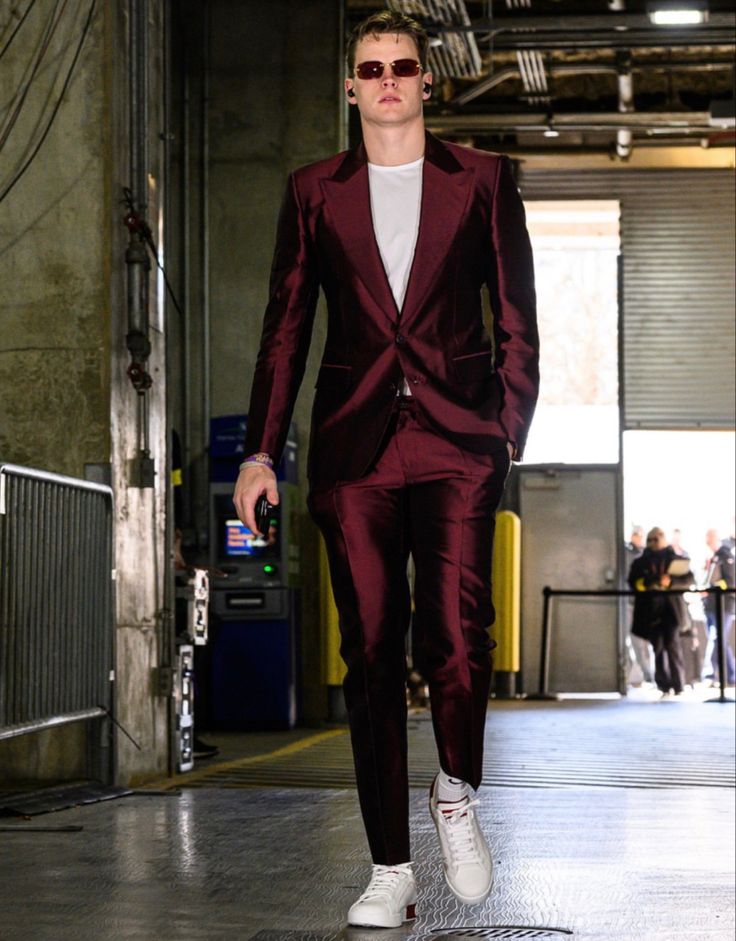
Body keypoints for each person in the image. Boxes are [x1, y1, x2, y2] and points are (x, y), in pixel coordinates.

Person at [233, 10, 538, 929]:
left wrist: (506, 430)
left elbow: (516, 311)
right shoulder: (313, 192)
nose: (389, 79)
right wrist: (259, 448)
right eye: (372, 67)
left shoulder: (483, 180)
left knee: (456, 632)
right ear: (352, 85)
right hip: (354, 446)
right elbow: (286, 329)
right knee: (368, 652)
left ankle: (455, 789)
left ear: (426, 80)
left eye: (404, 65)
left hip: (456, 442)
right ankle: (390, 868)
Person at [628, 527, 693, 697]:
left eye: (657, 538)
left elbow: (688, 579)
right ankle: (663, 685)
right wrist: (655, 581)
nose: (654, 542)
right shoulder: (640, 562)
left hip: (671, 611)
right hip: (651, 611)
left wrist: (670, 582)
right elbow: (634, 582)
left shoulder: (676, 559)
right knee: (658, 647)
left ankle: (678, 685)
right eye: (651, 539)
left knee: (673, 645)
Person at [701, 528, 736, 686]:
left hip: (724, 605)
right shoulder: (712, 557)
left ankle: (713, 674)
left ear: (714, 538)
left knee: (717, 639)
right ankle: (730, 675)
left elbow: (730, 582)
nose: (707, 541)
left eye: (709, 538)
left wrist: (712, 588)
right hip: (710, 606)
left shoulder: (726, 556)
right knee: (720, 640)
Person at [623, 525, 654, 686]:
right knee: (629, 641)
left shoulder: (645, 555)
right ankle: (633, 674)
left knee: (642, 642)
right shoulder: (626, 553)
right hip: (629, 602)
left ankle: (648, 674)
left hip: (642, 603)